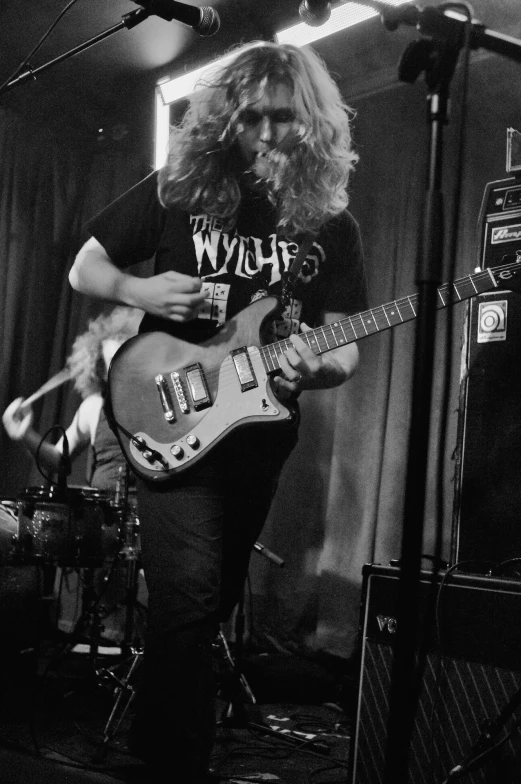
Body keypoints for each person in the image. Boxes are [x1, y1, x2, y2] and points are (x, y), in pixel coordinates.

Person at [68, 41, 368, 783]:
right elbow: (86, 266)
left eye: (283, 120)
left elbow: (346, 345)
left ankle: (152, 743)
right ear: (225, 118)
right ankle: (176, 764)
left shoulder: (330, 224)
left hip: (257, 434)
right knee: (192, 596)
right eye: (251, 119)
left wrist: (318, 364)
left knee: (207, 604)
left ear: (311, 123)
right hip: (167, 409)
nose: (265, 136)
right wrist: (142, 294)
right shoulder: (182, 188)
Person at [2, 306, 142, 492]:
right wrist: (26, 435)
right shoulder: (94, 407)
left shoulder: (160, 401)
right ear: (100, 369)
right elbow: (60, 461)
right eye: (113, 363)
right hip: (103, 514)